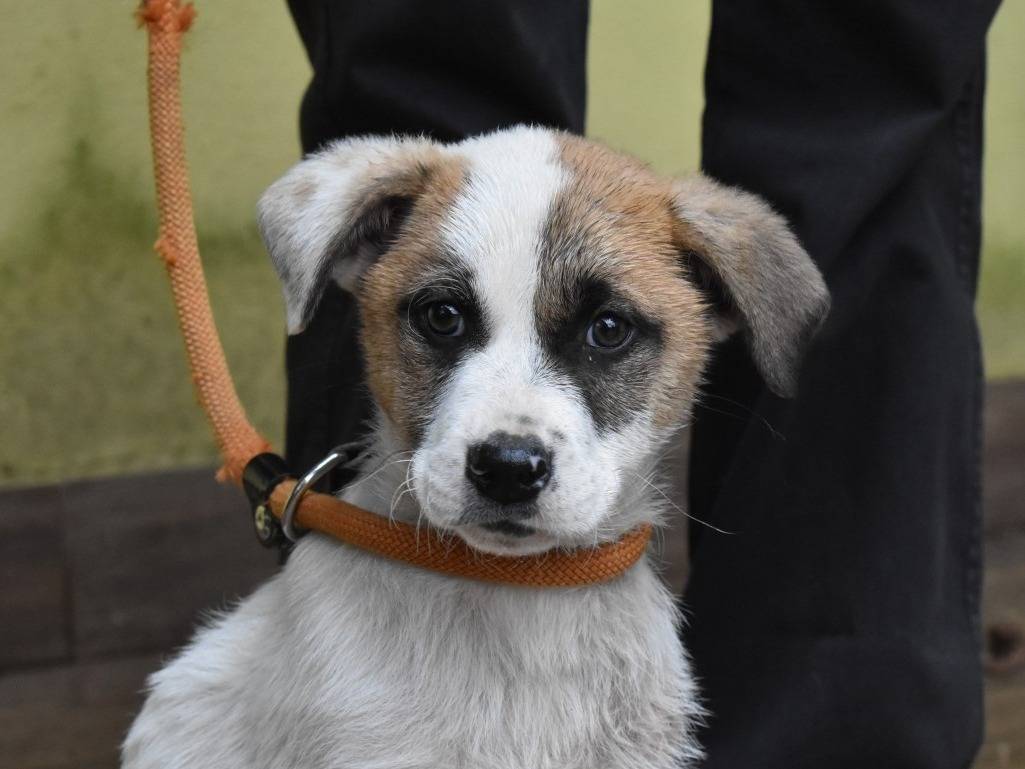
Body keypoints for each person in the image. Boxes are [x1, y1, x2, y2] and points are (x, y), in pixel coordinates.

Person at [281, 2, 1001, 765]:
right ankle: (370, 680)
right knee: (444, 46)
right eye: (444, 317)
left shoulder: (717, 259)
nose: (511, 441)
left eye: (608, 330)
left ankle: (834, 731)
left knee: (862, 72)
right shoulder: (392, 205)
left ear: (721, 302)